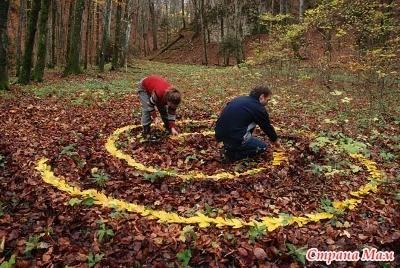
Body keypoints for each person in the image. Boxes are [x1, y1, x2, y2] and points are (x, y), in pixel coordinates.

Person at [215, 85, 281, 162]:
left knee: (248, 123)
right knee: (262, 147)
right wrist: (276, 142)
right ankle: (231, 155)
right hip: (234, 138)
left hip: (219, 135)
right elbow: (267, 127)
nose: (267, 103)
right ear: (262, 96)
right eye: (267, 100)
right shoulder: (258, 109)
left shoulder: (239, 99)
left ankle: (229, 146)